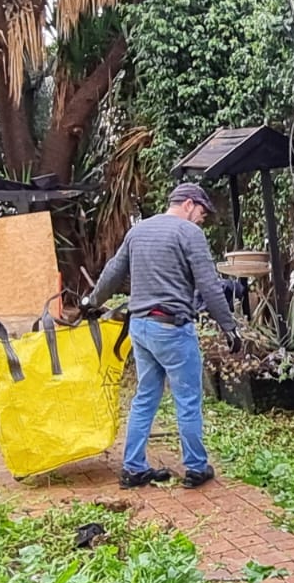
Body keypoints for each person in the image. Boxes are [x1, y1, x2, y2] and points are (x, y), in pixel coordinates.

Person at [84, 182, 242, 490]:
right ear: (188, 204)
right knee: (188, 398)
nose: (201, 219)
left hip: (141, 327)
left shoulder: (138, 231)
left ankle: (133, 468)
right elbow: (209, 285)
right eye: (201, 213)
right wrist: (229, 327)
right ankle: (196, 467)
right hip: (171, 329)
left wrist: (92, 301)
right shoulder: (189, 233)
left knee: (145, 397)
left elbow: (114, 271)